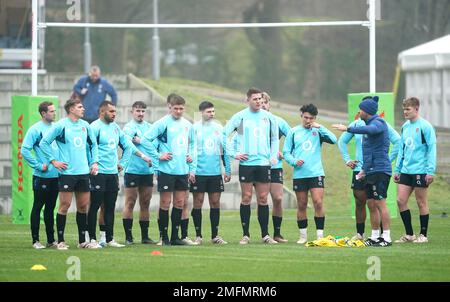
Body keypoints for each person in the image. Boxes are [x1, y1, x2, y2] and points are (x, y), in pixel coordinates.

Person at [87, 101, 153, 248]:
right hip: (98, 173)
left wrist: (122, 163)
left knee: (110, 207)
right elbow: (88, 148)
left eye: (115, 111)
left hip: (112, 173)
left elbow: (129, 147)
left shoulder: (116, 128)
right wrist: (93, 164)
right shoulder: (94, 127)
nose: (114, 114)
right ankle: (90, 238)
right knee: (95, 205)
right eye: (111, 111)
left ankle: (108, 238)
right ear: (102, 111)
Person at [333, 96, 393, 247]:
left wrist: (348, 128)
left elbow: (371, 130)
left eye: (361, 109)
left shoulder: (378, 122)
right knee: (371, 203)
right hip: (370, 170)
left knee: (380, 203)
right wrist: (363, 171)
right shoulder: (365, 125)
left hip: (380, 170)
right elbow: (368, 153)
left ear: (367, 111)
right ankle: (374, 237)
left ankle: (386, 237)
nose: (359, 112)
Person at [40, 98, 100, 249]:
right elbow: (44, 143)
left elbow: (93, 145)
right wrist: (54, 161)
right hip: (67, 173)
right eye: (80, 107)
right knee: (64, 205)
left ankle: (82, 242)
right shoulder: (61, 125)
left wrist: (94, 162)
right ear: (71, 109)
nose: (83, 109)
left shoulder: (85, 126)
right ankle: (60, 241)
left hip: (83, 173)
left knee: (82, 206)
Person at [223, 87, 279, 245]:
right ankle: (245, 235)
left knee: (263, 198)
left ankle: (266, 235)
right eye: (255, 99)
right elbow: (224, 135)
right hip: (246, 164)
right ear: (247, 100)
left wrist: (273, 155)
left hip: (263, 164)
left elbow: (274, 139)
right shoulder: (240, 117)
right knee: (246, 198)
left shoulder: (269, 117)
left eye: (260, 99)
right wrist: (234, 153)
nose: (259, 101)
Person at [140, 93, 196, 246]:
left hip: (182, 170)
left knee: (179, 202)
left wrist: (191, 160)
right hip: (166, 171)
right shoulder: (161, 123)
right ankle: (163, 237)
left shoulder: (188, 125)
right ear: (169, 107)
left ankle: (175, 237)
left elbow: (192, 145)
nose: (178, 111)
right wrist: (158, 155)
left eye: (181, 109)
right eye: (176, 108)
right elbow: (145, 140)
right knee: (165, 202)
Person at [283, 104, 337, 244]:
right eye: (306, 117)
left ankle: (320, 235)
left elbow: (334, 140)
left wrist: (320, 127)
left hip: (316, 172)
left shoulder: (318, 131)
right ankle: (303, 236)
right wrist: (294, 161)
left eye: (311, 118)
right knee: (301, 204)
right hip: (300, 174)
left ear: (315, 118)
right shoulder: (293, 132)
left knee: (318, 202)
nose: (308, 120)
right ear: (301, 115)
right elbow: (286, 153)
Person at [394, 97, 436, 244]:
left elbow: (431, 149)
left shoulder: (426, 126)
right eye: (404, 109)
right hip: (406, 170)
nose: (405, 112)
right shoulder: (405, 126)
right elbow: (402, 149)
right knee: (400, 201)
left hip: (421, 170)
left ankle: (423, 235)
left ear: (416, 109)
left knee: (421, 202)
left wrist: (430, 171)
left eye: (408, 109)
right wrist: (397, 169)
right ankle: (409, 234)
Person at [190, 101, 231, 245]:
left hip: (215, 173)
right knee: (198, 203)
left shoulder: (219, 128)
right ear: (201, 112)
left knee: (215, 203)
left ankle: (215, 236)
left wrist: (227, 170)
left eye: (213, 111)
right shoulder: (194, 128)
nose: (212, 114)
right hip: (199, 173)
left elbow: (224, 150)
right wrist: (191, 171)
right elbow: (190, 151)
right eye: (209, 112)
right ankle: (198, 236)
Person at [22, 101, 59, 249]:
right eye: (51, 111)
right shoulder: (35, 130)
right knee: (38, 206)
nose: (54, 113)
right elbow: (24, 150)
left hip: (55, 176)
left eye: (54, 111)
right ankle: (35, 240)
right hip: (41, 176)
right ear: (43, 113)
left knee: (50, 208)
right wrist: (38, 165)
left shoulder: (56, 128)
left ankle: (51, 240)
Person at [121, 101, 158, 245]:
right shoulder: (129, 128)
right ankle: (128, 237)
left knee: (145, 203)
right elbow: (129, 145)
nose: (141, 113)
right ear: (132, 112)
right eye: (138, 111)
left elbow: (152, 146)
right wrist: (142, 150)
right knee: (130, 202)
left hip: (147, 171)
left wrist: (141, 141)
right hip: (132, 170)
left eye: (143, 111)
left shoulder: (150, 127)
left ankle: (145, 237)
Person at [260, 92, 291, 243]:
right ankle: (263, 234)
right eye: (260, 101)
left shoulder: (278, 121)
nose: (263, 104)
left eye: (265, 102)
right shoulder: (249, 121)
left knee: (278, 198)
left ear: (269, 104)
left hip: (275, 166)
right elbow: (240, 140)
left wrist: (283, 152)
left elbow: (294, 136)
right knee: (261, 199)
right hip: (257, 165)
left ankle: (277, 234)